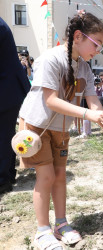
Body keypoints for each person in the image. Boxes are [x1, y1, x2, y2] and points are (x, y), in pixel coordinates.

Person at [18, 12, 103, 248]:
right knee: (46, 176)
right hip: (38, 128)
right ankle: (42, 231)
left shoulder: (85, 69)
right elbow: (51, 100)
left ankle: (61, 224)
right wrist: (87, 114)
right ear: (78, 36)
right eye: (96, 43)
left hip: (61, 130)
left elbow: (93, 102)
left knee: (60, 176)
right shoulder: (50, 59)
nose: (99, 50)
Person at [0, 18, 31, 195]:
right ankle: (8, 173)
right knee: (5, 134)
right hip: (9, 88)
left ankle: (3, 180)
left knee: (3, 135)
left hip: (6, 89)